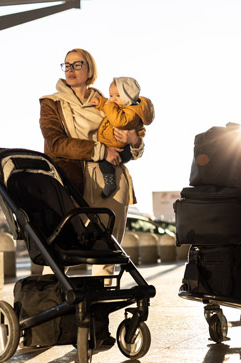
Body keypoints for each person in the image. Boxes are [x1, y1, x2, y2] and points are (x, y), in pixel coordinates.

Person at [38, 48, 144, 279]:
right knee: (60, 247)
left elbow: (130, 142)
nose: (71, 70)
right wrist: (100, 150)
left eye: (77, 65)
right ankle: (46, 299)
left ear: (90, 70)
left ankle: (99, 311)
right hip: (72, 179)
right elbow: (56, 143)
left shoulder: (108, 103)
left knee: (106, 253)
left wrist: (135, 140)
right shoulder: (52, 103)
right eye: (67, 65)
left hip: (113, 181)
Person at [90, 77, 154, 198]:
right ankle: (110, 182)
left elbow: (117, 120)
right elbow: (112, 109)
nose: (112, 99)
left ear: (128, 96)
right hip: (118, 145)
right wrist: (101, 102)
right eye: (111, 95)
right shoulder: (121, 106)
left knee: (103, 161)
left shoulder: (132, 112)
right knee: (103, 160)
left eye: (117, 95)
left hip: (123, 149)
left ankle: (110, 183)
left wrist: (108, 105)